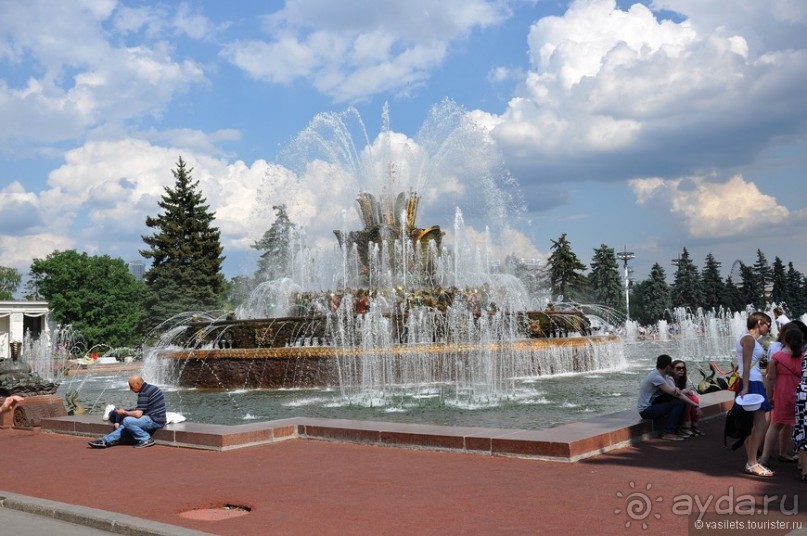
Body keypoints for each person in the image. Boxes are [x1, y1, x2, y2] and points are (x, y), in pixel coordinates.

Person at [760, 324, 805, 466]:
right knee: (801, 428)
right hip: (801, 394)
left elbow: (770, 378)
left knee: (775, 425)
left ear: (784, 340)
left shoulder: (777, 357)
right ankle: (802, 463)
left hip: (782, 394)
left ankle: (765, 457)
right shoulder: (803, 357)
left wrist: (768, 397)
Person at [736, 311, 773, 477]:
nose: (769, 329)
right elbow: (745, 364)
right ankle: (752, 462)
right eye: (767, 325)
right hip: (751, 383)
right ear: (759, 322)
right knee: (760, 424)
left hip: (752, 381)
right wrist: (745, 387)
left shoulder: (749, 339)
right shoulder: (749, 339)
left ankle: (752, 460)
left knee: (755, 424)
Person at [88, 374, 166, 449]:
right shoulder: (151, 388)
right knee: (124, 426)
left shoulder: (143, 393)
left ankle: (146, 438)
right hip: (158, 418)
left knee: (127, 421)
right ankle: (104, 441)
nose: (130, 389)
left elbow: (138, 414)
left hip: (155, 421)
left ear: (138, 384)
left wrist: (124, 412)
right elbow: (146, 407)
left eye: (131, 386)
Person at [637, 354, 698, 440]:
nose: (672, 368)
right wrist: (695, 404)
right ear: (667, 366)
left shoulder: (662, 375)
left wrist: (676, 388)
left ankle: (677, 429)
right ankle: (669, 432)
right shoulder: (656, 377)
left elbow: (673, 391)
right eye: (671, 366)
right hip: (646, 410)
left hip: (653, 404)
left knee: (678, 401)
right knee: (679, 402)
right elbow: (675, 394)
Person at [669, 360, 704, 436]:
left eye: (683, 368)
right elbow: (676, 393)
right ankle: (686, 425)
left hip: (680, 397)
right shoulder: (670, 379)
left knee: (694, 398)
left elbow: (690, 389)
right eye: (678, 368)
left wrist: (689, 391)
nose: (681, 370)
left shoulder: (683, 378)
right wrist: (686, 391)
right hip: (670, 399)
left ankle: (694, 424)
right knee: (687, 399)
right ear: (672, 369)